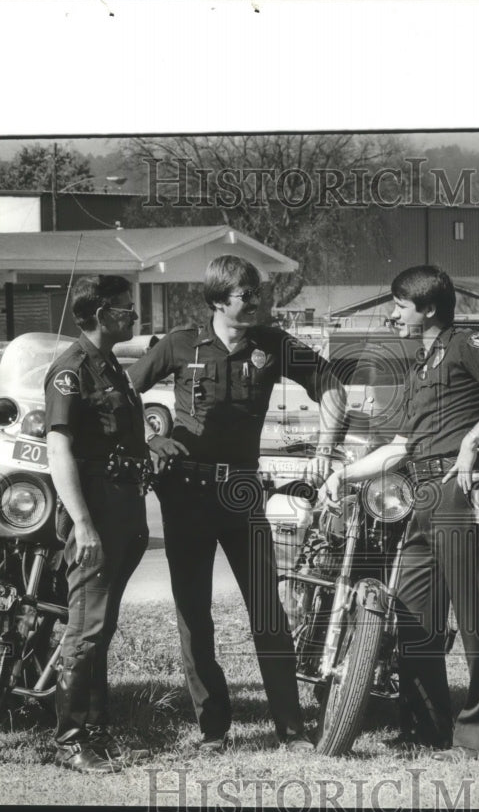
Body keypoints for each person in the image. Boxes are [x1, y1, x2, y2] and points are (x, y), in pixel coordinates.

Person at [128, 254, 346, 754]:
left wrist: (326, 449)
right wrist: (150, 438)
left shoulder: (273, 344)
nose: (259, 302)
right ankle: (214, 728)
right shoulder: (179, 344)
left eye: (260, 293)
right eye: (248, 295)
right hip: (185, 491)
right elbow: (121, 395)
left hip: (243, 490)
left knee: (267, 611)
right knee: (193, 614)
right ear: (218, 300)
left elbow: (331, 385)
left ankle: (290, 729)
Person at [319, 265, 479, 761]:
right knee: (413, 613)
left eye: (400, 305)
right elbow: (399, 447)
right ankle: (427, 725)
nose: (393, 315)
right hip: (423, 492)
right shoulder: (420, 366)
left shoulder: (466, 343)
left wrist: (473, 442)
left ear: (429, 308)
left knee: (475, 613)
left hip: (461, 487)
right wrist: (343, 476)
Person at [44, 274, 150, 773]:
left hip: (124, 507)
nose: (134, 316)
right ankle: (69, 741)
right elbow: (58, 448)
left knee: (101, 626)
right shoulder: (72, 369)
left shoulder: (112, 367)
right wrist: (82, 524)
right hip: (96, 511)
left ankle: (97, 726)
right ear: (102, 313)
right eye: (126, 308)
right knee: (84, 629)